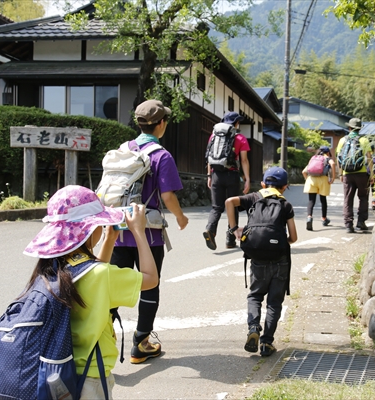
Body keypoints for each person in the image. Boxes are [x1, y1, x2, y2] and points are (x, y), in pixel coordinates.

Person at [23, 185, 159, 399]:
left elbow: (90, 273)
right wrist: (139, 233)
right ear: (88, 229)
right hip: (90, 377)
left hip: (54, 371)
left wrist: (109, 240)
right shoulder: (101, 275)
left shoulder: (52, 267)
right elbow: (151, 279)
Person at [110, 99, 189, 364]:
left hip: (119, 232)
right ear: (162, 124)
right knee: (150, 284)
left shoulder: (122, 150)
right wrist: (180, 217)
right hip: (149, 232)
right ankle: (141, 343)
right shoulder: (161, 155)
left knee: (111, 287)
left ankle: (101, 337)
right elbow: (167, 195)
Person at [224, 166, 298, 357]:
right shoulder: (285, 204)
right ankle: (266, 343)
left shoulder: (254, 198)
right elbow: (294, 237)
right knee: (274, 302)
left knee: (255, 296)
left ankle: (253, 328)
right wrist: (282, 243)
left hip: (257, 259)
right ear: (285, 187)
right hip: (280, 260)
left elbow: (229, 202)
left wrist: (234, 230)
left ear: (263, 184)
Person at [203, 111, 251, 250]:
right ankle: (230, 240)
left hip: (216, 174)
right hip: (232, 175)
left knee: (216, 207)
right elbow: (244, 160)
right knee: (233, 205)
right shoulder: (240, 138)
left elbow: (210, 157)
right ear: (236, 123)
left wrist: (209, 175)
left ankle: (210, 230)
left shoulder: (214, 136)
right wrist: (247, 179)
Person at [336, 117, 373, 234]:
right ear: (359, 129)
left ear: (349, 128)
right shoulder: (364, 140)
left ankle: (348, 225)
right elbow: (369, 158)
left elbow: (338, 158)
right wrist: (371, 175)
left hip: (347, 174)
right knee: (363, 197)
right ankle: (360, 222)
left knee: (348, 199)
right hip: (362, 173)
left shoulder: (342, 140)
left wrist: (340, 173)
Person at [302, 146, 336, 231]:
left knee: (311, 200)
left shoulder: (313, 158)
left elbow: (304, 172)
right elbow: (333, 164)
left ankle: (309, 217)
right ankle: (324, 218)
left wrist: (308, 180)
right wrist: (333, 178)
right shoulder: (327, 158)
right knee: (323, 200)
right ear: (327, 152)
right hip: (323, 180)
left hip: (311, 179)